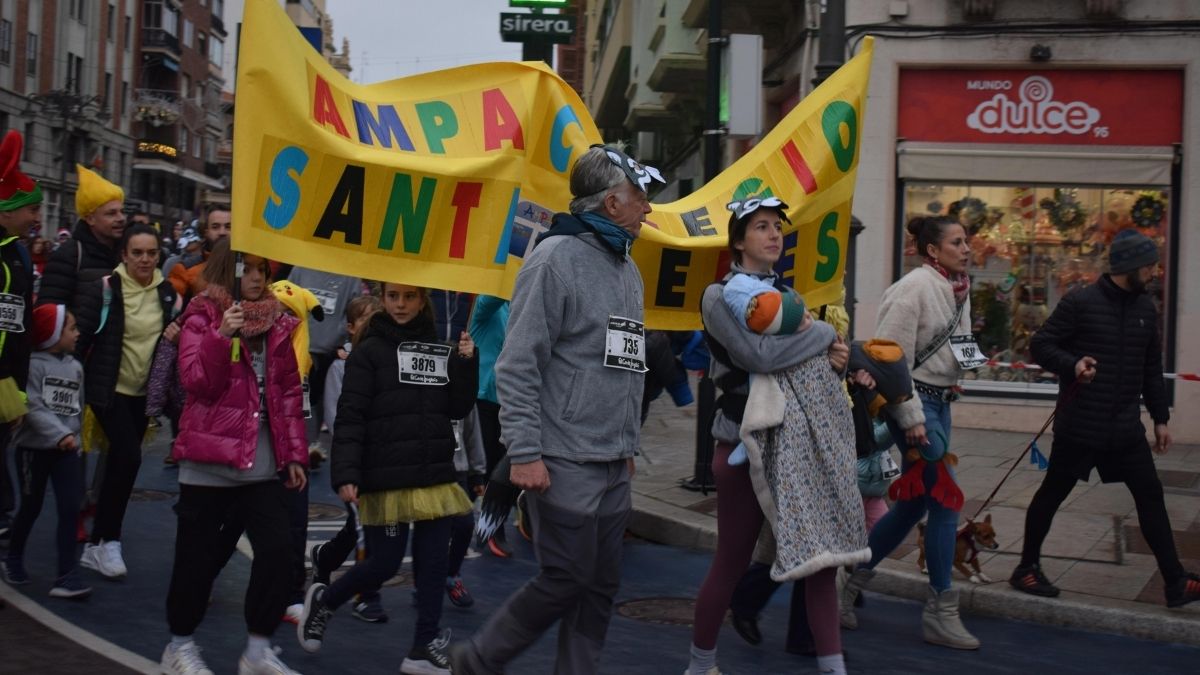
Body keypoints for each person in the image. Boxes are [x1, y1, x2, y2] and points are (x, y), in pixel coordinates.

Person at [448, 144, 659, 675]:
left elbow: (625, 363)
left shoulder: (627, 268)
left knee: (602, 585)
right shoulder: (553, 261)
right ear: (611, 204)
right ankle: (477, 661)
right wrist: (523, 453)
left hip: (612, 460)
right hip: (561, 457)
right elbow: (518, 366)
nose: (648, 209)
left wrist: (627, 442)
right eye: (640, 197)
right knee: (565, 578)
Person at [685, 197, 863, 675]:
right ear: (739, 241)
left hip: (794, 444)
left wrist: (832, 360)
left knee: (822, 559)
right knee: (732, 561)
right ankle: (700, 666)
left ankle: (833, 668)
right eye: (760, 227)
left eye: (776, 227)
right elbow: (758, 357)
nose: (773, 234)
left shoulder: (787, 295)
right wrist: (824, 336)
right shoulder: (719, 297)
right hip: (741, 445)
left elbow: (794, 360)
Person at [1011, 229, 1199, 608]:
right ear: (1129, 266)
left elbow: (1150, 367)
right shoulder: (1080, 302)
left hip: (1125, 429)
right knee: (1052, 494)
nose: (1154, 272)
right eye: (1149, 265)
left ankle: (1175, 582)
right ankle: (1026, 568)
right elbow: (1041, 345)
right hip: (1080, 426)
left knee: (1151, 497)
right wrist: (1073, 364)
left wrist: (1161, 418)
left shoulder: (1147, 308)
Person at [299, 282, 477, 675]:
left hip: (433, 474)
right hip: (387, 476)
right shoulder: (370, 351)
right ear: (383, 298)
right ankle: (326, 602)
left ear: (421, 300)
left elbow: (457, 407)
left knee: (432, 565)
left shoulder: (436, 347)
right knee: (383, 565)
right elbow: (351, 416)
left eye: (409, 297)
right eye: (393, 297)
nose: (400, 304)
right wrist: (345, 472)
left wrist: (466, 363)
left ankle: (422, 646)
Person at [160, 239, 307, 675]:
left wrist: (295, 453)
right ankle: (179, 647)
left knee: (279, 554)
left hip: (262, 465)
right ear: (229, 269)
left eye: (264, 269)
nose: (258, 278)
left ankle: (257, 653)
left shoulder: (280, 321)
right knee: (196, 561)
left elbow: (287, 393)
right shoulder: (202, 313)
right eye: (248, 269)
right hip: (208, 462)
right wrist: (221, 336)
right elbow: (196, 382)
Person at [840, 215, 982, 650]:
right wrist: (912, 418)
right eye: (956, 242)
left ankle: (846, 583)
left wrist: (966, 365)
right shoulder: (913, 289)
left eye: (966, 241)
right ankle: (941, 610)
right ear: (933, 251)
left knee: (911, 504)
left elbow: (958, 342)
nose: (966, 248)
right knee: (945, 501)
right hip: (916, 408)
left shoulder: (959, 287)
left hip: (941, 403)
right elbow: (887, 359)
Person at [71, 223, 178, 580]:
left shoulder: (168, 294)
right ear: (124, 255)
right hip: (106, 391)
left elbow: (173, 343)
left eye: (151, 253)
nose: (145, 259)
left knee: (122, 465)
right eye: (137, 253)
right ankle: (109, 541)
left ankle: (97, 543)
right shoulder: (104, 289)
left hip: (142, 395)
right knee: (128, 457)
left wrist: (175, 332)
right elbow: (80, 338)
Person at [1, 304, 90, 598]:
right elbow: (34, 406)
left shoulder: (75, 367)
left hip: (67, 452)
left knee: (69, 508)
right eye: (71, 328)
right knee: (31, 507)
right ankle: (13, 557)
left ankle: (67, 575)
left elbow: (77, 408)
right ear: (52, 333)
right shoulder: (32, 366)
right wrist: (61, 434)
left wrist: (74, 438)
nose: (77, 333)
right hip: (33, 450)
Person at [312, 293, 389, 623]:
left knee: (358, 526)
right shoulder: (340, 369)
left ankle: (325, 558)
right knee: (365, 527)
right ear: (350, 326)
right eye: (365, 319)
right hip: (355, 460)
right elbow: (338, 419)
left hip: (383, 459)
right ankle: (365, 595)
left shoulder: (385, 362)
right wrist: (348, 468)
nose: (372, 326)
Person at [0, 130, 41, 542]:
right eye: (31, 209)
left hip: (5, 381)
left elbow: (21, 325)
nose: (36, 217)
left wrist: (19, 389)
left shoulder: (20, 254)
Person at [36, 165, 125, 311]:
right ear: (90, 219)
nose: (121, 218)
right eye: (111, 213)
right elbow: (51, 312)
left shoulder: (127, 252)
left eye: (122, 211)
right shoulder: (68, 255)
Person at [467, 294, 512, 558]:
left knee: (500, 466)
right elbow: (493, 296)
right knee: (480, 468)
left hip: (507, 400)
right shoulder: (486, 305)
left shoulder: (514, 307)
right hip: (480, 399)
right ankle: (456, 522)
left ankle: (493, 525)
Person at [168, 206, 231, 300]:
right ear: (206, 232)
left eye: (228, 227)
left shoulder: (249, 266)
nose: (222, 232)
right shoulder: (185, 269)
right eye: (215, 227)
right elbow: (172, 308)